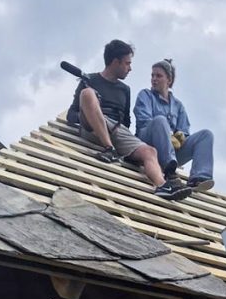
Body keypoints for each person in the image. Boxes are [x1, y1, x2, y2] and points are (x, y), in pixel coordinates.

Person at [67, 40, 191, 201]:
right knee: (88, 94)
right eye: (127, 63)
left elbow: (125, 123)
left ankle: (163, 186)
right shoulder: (89, 80)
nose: (130, 68)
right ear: (115, 62)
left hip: (116, 129)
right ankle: (108, 148)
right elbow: (71, 115)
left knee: (150, 151)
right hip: (92, 127)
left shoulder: (125, 90)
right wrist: (95, 109)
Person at [134, 59, 214, 192]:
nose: (154, 79)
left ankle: (199, 177)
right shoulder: (145, 95)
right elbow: (144, 121)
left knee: (206, 135)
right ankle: (169, 171)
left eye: (158, 76)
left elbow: (184, 131)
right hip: (148, 144)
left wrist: (180, 137)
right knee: (160, 120)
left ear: (169, 80)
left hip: (172, 151)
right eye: (152, 75)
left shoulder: (178, 106)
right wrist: (167, 134)